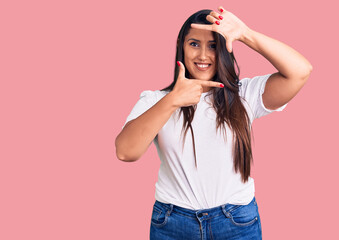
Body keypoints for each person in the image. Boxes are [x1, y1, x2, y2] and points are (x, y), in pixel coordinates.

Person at [115, 6, 312, 240]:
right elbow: (126, 152)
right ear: (181, 44)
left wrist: (244, 33)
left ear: (226, 50)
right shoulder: (155, 100)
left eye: (213, 46)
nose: (203, 56)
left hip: (236, 222)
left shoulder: (244, 94)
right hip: (172, 223)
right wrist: (172, 101)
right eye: (194, 44)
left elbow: (300, 71)